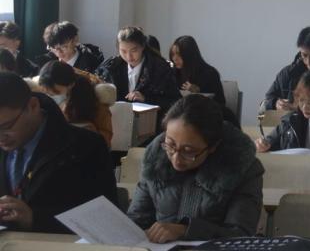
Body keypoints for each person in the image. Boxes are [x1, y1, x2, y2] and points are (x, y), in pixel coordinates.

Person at [128, 94, 264, 242]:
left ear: (213, 147)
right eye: (170, 145)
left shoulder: (243, 169)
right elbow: (137, 220)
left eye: (188, 151)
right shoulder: (154, 161)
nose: (176, 158)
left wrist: (185, 230)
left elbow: (240, 235)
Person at [0, 73, 116, 233]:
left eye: (6, 127)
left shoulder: (85, 147)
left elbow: (107, 221)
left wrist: (35, 218)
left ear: (33, 106)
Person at [97, 26, 181, 115]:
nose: (128, 56)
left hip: (150, 119)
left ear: (142, 46)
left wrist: (146, 98)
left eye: (134, 51)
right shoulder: (112, 67)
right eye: (123, 51)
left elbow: (175, 101)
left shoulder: (160, 68)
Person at [37, 60, 113, 146]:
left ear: (71, 85)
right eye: (46, 92)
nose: (50, 96)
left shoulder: (95, 101)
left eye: (55, 92)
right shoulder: (37, 99)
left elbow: (105, 138)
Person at [169, 36, 226, 106]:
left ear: (190, 55)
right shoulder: (174, 73)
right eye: (173, 54)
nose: (175, 58)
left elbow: (220, 103)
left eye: (179, 54)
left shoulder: (210, 73)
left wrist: (199, 93)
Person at [38, 21, 103, 73]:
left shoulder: (92, 64)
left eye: (63, 47)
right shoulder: (45, 63)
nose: (59, 52)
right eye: (54, 48)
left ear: (75, 40)